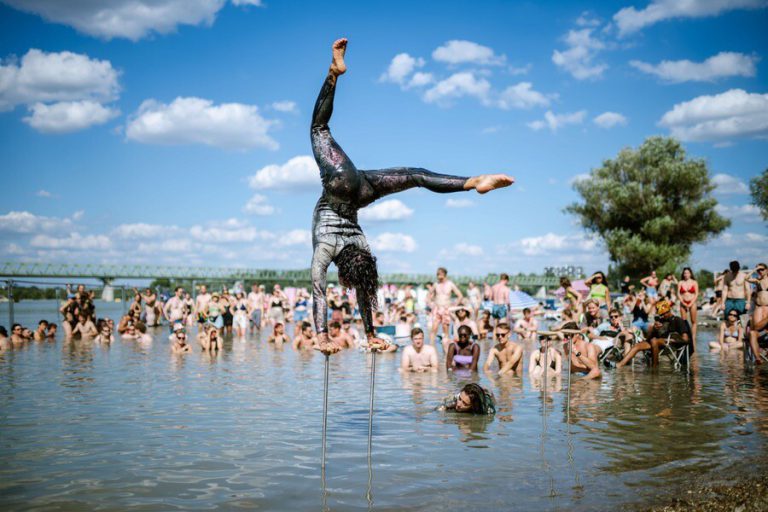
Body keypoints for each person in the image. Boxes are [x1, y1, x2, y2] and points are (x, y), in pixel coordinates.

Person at [308, 38, 514, 355]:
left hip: (346, 187)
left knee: (320, 129)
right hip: (356, 187)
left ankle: (334, 72)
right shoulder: (356, 246)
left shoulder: (330, 246)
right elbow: (358, 289)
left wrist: (322, 336)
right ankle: (472, 182)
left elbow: (320, 289)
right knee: (415, 175)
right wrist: (370, 333)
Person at [616, 299, 691, 368]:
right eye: (660, 314)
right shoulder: (660, 321)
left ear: (669, 311)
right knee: (637, 346)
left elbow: (686, 339)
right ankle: (620, 364)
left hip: (671, 344)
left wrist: (671, 340)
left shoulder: (678, 320)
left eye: (663, 314)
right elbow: (649, 338)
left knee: (654, 340)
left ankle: (654, 368)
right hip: (657, 343)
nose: (662, 316)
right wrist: (653, 329)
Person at [429, 268, 464, 343]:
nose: (438, 275)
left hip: (446, 309)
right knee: (434, 329)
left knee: (445, 330)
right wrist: (431, 304)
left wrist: (454, 305)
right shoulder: (436, 284)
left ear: (444, 274)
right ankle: (431, 347)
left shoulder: (450, 284)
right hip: (437, 309)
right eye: (437, 274)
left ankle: (446, 351)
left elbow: (460, 296)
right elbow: (428, 296)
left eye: (439, 274)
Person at [677, 267, 699, 343]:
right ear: (683, 274)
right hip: (683, 302)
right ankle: (685, 336)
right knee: (684, 321)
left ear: (690, 274)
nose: (686, 274)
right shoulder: (680, 282)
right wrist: (682, 302)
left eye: (687, 273)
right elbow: (678, 293)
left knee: (693, 321)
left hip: (692, 302)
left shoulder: (694, 282)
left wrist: (691, 303)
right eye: (685, 273)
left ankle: (693, 337)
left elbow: (696, 294)